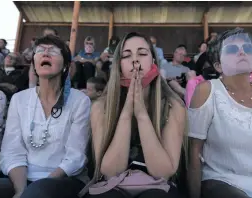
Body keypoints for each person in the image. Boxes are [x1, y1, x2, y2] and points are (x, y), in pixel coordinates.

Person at [80, 32, 187, 198]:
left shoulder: (174, 106)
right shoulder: (100, 107)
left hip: (158, 189)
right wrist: (127, 113)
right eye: (126, 56)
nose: (135, 60)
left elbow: (163, 173)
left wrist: (141, 114)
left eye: (143, 54)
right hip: (111, 186)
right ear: (119, 66)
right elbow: (110, 171)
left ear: (153, 62)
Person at [188, 28, 252, 198]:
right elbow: (193, 153)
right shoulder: (207, 91)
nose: (242, 52)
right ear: (218, 65)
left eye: (248, 49)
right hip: (223, 185)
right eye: (232, 49)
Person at [0, 35, 91, 198]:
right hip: (23, 178)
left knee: (38, 193)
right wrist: (21, 190)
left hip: (66, 179)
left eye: (53, 51)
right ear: (34, 64)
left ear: (66, 66)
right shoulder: (19, 100)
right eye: (40, 50)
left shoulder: (80, 101)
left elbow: (76, 157)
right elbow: (12, 151)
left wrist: (36, 188)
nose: (45, 53)